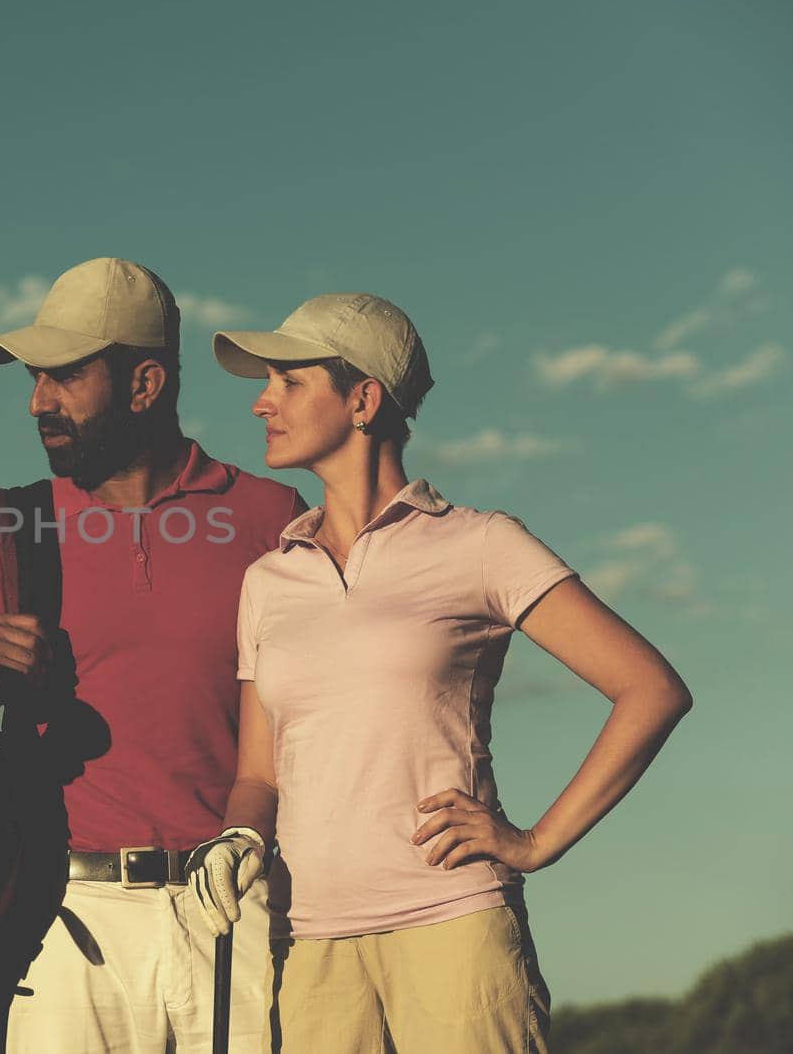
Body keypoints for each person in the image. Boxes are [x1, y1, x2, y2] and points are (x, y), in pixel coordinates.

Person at [186, 292, 693, 1053]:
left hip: (453, 928)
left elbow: (651, 690)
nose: (263, 403)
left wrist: (535, 842)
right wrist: (237, 839)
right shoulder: (269, 580)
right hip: (309, 943)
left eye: (290, 383)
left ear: (363, 400)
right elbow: (260, 774)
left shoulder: (481, 545)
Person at [0, 257, 305, 1052]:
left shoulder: (273, 518)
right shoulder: (15, 529)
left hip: (234, 906)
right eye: (34, 379)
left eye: (64, 377)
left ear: (145, 384)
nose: (37, 402)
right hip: (63, 920)